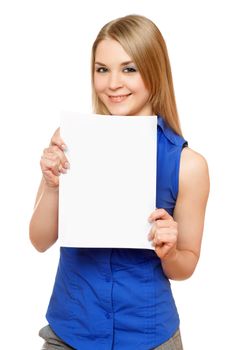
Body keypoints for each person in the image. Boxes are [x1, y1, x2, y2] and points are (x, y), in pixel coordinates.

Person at [29, 14, 210, 350]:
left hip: (149, 336)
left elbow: (185, 266)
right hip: (70, 332)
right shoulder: (71, 140)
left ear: (154, 70)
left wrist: (169, 251)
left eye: (129, 69)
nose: (112, 83)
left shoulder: (188, 166)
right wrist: (52, 185)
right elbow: (39, 240)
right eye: (102, 69)